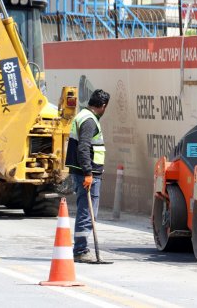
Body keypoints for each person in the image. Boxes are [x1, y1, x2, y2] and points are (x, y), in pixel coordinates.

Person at [65, 89, 110, 263]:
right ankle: (81, 250)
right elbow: (83, 148)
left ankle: (81, 248)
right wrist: (88, 173)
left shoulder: (82, 116)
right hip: (88, 174)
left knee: (86, 211)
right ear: (103, 106)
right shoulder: (89, 121)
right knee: (87, 212)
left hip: (83, 173)